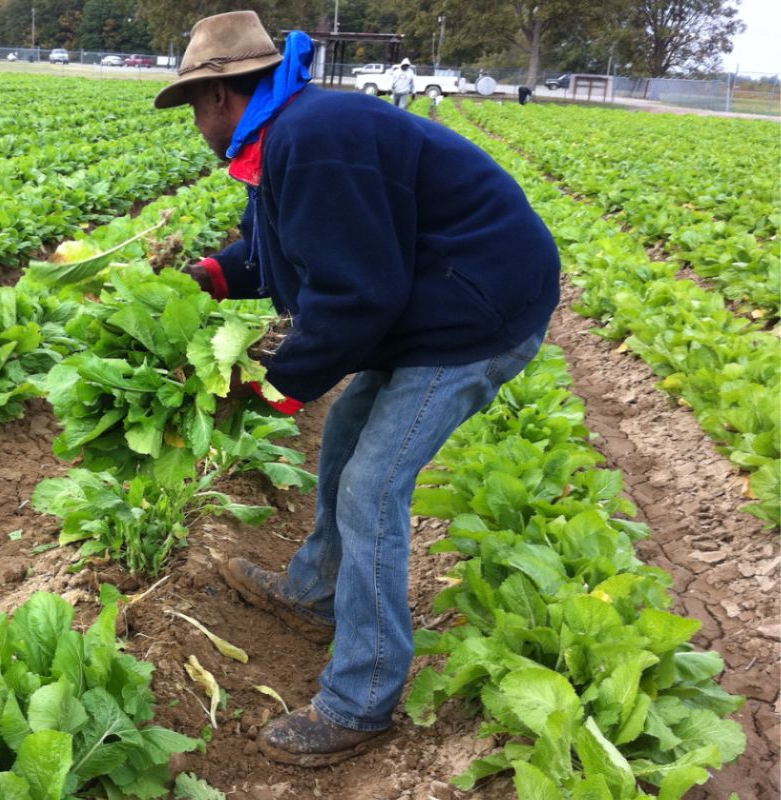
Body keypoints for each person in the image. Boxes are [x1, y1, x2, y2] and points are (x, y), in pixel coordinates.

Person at [154, 11, 561, 767]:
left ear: (217, 98)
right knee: (344, 439)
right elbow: (278, 244)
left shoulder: (314, 139)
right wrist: (209, 277)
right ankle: (315, 592)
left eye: (192, 109)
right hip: (433, 297)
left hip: (475, 313)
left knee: (374, 486)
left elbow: (356, 295)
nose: (195, 124)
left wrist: (278, 387)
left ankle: (360, 699)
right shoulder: (286, 131)